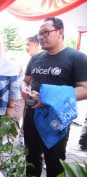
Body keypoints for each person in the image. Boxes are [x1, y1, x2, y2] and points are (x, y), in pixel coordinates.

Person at [20, 17, 87, 177]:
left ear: (60, 32)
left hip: (57, 119)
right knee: (31, 157)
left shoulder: (77, 58)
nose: (41, 37)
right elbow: (25, 81)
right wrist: (24, 89)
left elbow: (84, 89)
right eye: (39, 34)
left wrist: (46, 98)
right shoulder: (36, 59)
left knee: (55, 162)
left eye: (46, 33)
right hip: (32, 115)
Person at [14, 36, 39, 145]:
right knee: (16, 116)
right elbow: (15, 76)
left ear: (36, 45)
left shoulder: (42, 59)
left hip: (35, 97)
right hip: (20, 94)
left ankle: (22, 136)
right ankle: (10, 136)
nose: (26, 47)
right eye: (26, 44)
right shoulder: (22, 59)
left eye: (29, 44)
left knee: (28, 117)